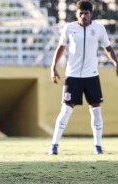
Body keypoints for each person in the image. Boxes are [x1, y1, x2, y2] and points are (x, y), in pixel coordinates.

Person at [48, 0, 118, 155]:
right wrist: (53, 67)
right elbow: (61, 47)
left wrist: (116, 63)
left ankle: (98, 147)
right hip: (72, 76)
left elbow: (108, 48)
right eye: (81, 13)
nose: (84, 16)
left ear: (90, 14)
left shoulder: (99, 29)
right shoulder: (69, 28)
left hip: (92, 76)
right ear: (76, 13)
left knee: (96, 111)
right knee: (66, 110)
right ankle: (54, 145)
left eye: (86, 13)